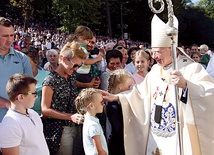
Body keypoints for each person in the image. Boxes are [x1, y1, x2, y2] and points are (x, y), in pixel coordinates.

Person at [101, 14, 214, 155]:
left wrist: (186, 86)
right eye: (153, 52)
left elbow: (209, 93)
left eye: (158, 52)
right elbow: (140, 94)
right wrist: (118, 98)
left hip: (177, 136)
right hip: (155, 136)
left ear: (171, 49)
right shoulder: (155, 71)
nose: (154, 57)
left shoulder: (191, 68)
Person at [41, 41, 87, 155]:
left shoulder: (71, 76)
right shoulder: (50, 80)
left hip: (76, 127)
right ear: (64, 59)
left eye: (79, 65)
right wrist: (70, 116)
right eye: (75, 65)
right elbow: (45, 110)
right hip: (60, 130)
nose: (76, 69)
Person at [0, 73, 49, 155]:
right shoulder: (10, 125)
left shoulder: (33, 114)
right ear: (21, 97)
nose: (36, 97)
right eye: (34, 93)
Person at [0, 17, 33, 122]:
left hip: (16, 121)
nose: (9, 39)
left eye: (11, 35)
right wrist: (7, 104)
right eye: (5, 36)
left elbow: (30, 88)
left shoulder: (22, 58)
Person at [106, 69, 133, 155]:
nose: (130, 89)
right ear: (120, 86)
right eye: (128, 86)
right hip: (118, 144)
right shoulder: (113, 105)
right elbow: (118, 128)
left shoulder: (119, 102)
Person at [75, 88, 108, 155]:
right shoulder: (93, 125)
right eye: (101, 102)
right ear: (91, 106)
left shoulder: (88, 120)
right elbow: (99, 151)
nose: (104, 104)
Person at [21, 47, 50, 115]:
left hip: (41, 118)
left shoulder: (47, 76)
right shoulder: (15, 78)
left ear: (36, 62)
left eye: (27, 62)